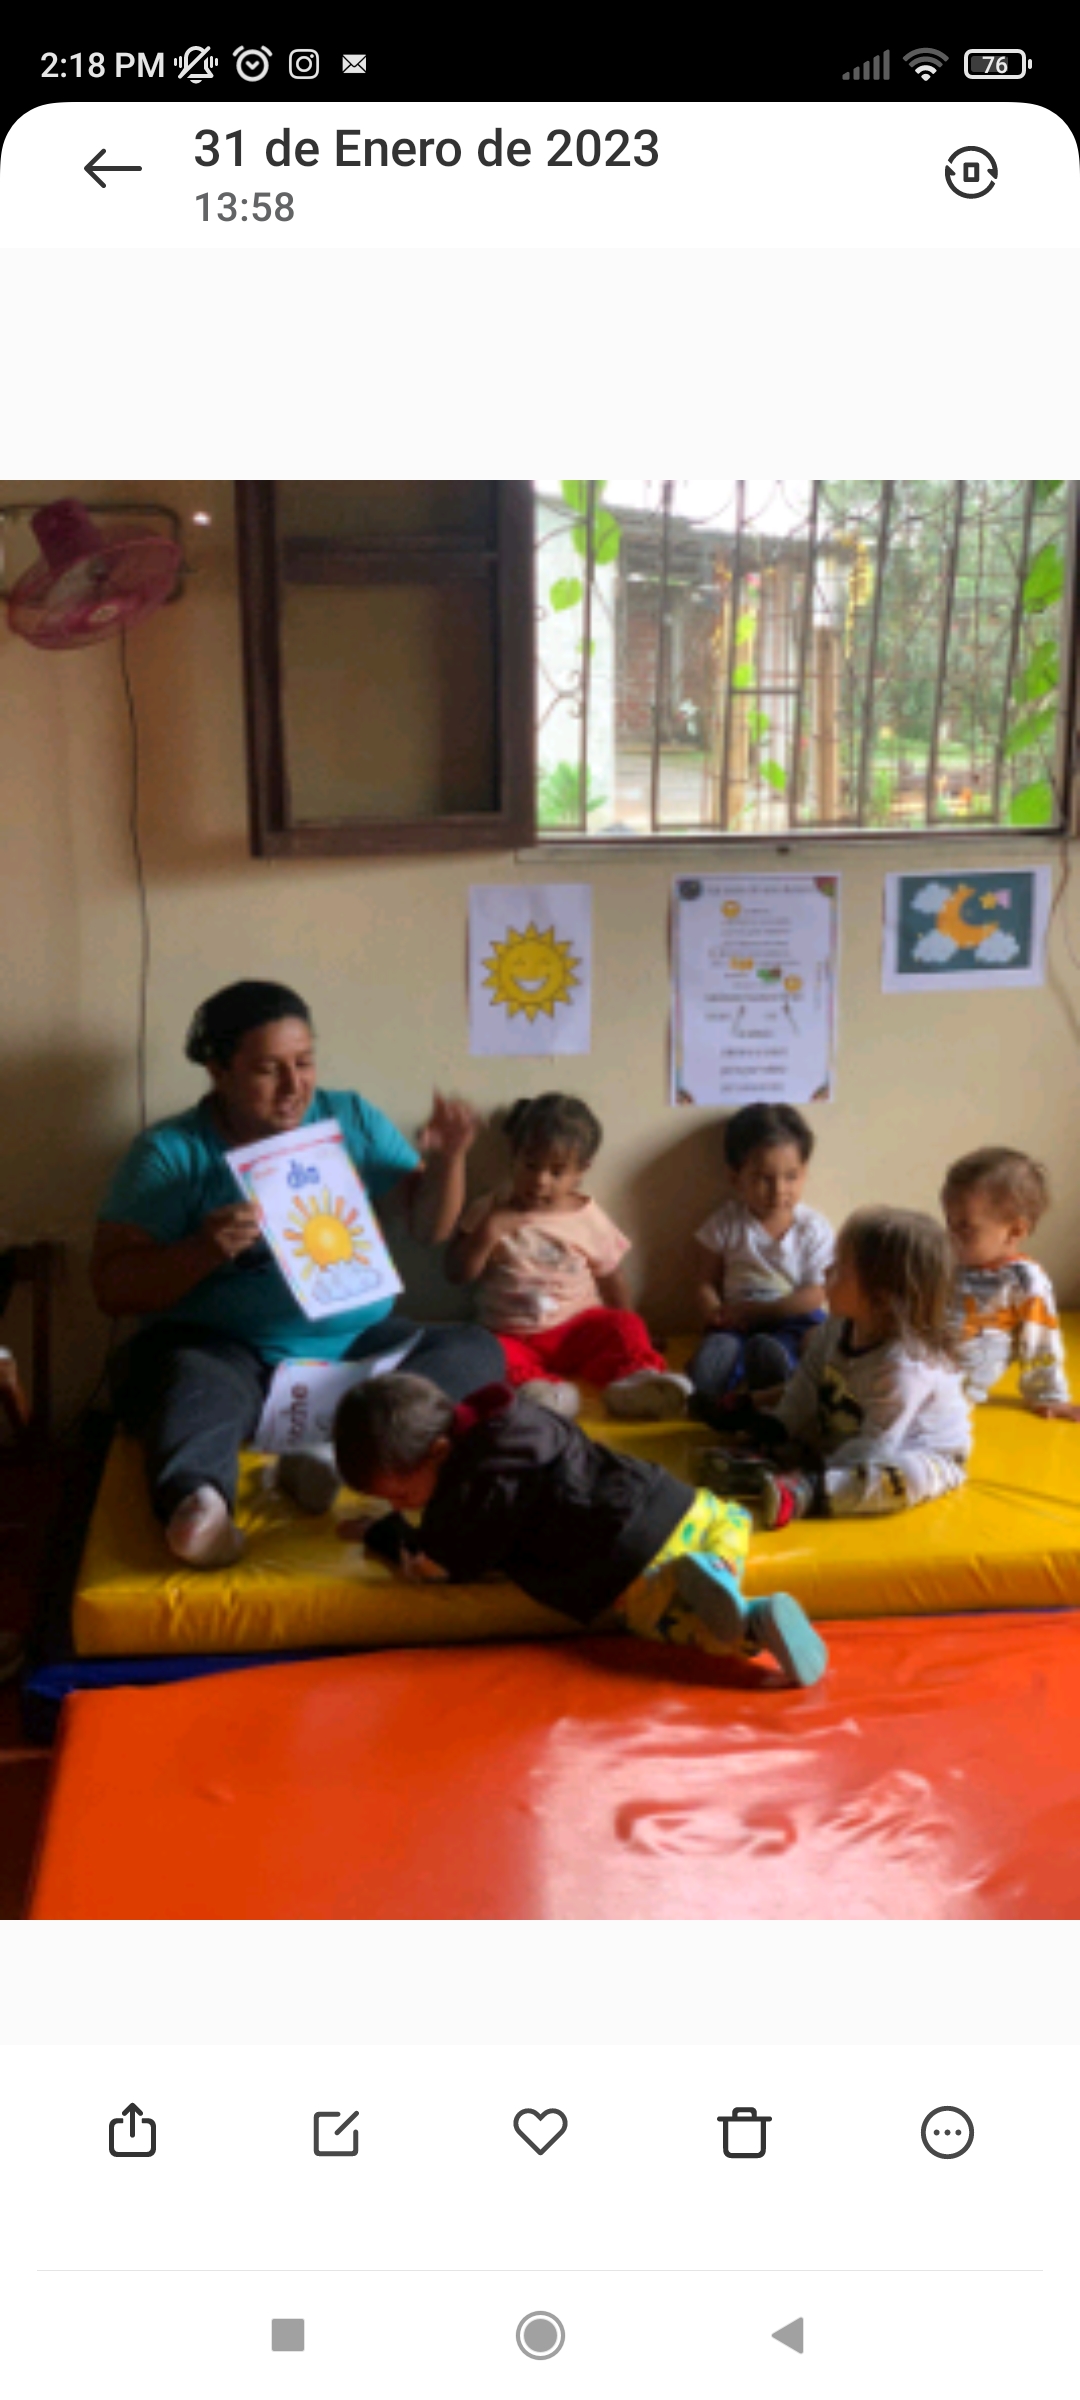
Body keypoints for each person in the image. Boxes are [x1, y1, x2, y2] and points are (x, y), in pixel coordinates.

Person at [91, 980, 502, 1567]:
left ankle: (332, 1456)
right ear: (218, 1071)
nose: (293, 1086)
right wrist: (202, 1250)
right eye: (268, 1070)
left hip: (355, 1352)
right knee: (186, 1380)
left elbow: (430, 1228)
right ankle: (200, 1506)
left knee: (473, 1349)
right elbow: (111, 1288)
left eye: (304, 1063)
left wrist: (450, 1159)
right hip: (232, 1358)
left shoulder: (349, 1117)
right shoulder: (169, 1152)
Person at [331, 1372, 829, 1688]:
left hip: (627, 1566)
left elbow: (436, 1567)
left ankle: (751, 1622)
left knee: (683, 1624)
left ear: (440, 1452)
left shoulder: (461, 1506)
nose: (399, 1506)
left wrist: (384, 1533)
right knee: (730, 1518)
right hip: (668, 1501)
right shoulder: (517, 1414)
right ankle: (719, 1564)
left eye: (401, 1495)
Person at [704, 1207, 971, 1526]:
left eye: (841, 1269)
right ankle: (768, 1466)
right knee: (808, 1424)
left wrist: (818, 1469)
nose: (826, 1270)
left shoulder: (905, 1367)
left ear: (881, 1299)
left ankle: (810, 1492)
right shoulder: (836, 1326)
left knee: (905, 1478)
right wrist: (778, 1425)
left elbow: (875, 1448)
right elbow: (806, 1383)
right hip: (851, 1432)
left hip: (909, 1451)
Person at [446, 1092, 691, 1421]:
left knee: (625, 1324)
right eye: (530, 1166)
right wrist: (488, 1232)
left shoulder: (586, 1215)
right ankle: (540, 1393)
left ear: (581, 1171)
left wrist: (638, 1334)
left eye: (556, 1172)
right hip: (510, 1333)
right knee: (482, 1348)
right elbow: (456, 1274)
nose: (540, 1181)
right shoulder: (489, 1209)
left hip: (576, 1328)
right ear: (514, 1155)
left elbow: (611, 1277)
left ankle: (637, 1382)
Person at [688, 1102, 834, 1425]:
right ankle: (713, 1385)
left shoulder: (812, 1228)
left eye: (791, 1177)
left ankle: (775, 1372)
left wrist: (768, 1311)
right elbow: (704, 1282)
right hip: (738, 1320)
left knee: (811, 1338)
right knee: (723, 1344)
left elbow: (817, 1292)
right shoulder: (725, 1224)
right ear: (735, 1177)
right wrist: (714, 1311)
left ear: (805, 1172)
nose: (779, 1190)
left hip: (792, 1316)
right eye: (763, 1179)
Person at [941, 1146, 1080, 1421]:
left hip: (963, 1375)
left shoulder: (1024, 1281)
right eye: (949, 1223)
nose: (951, 1235)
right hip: (924, 1358)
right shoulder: (951, 1261)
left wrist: (1048, 1395)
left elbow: (1041, 1340)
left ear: (1015, 1231)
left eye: (965, 1227)